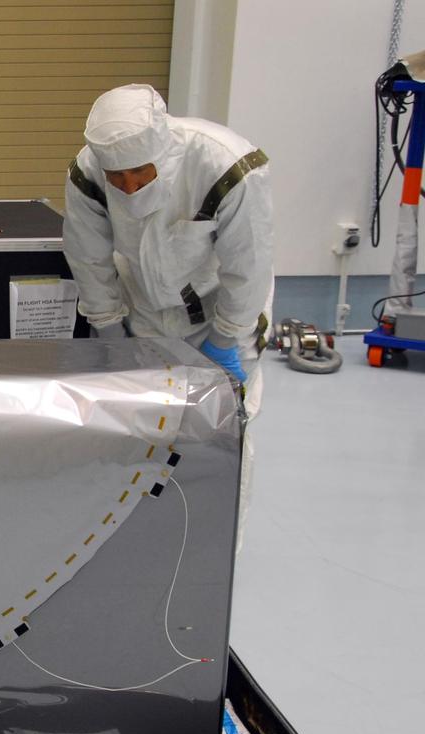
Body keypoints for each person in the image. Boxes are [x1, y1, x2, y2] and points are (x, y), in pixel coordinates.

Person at [62, 84, 273, 547]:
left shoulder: (224, 166)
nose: (129, 188)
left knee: (223, 436)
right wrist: (108, 329)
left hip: (222, 318)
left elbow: (249, 267)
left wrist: (228, 339)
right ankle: (147, 540)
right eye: (118, 178)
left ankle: (218, 550)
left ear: (162, 150)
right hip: (144, 318)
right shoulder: (88, 174)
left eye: (140, 173)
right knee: (143, 430)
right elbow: (88, 258)